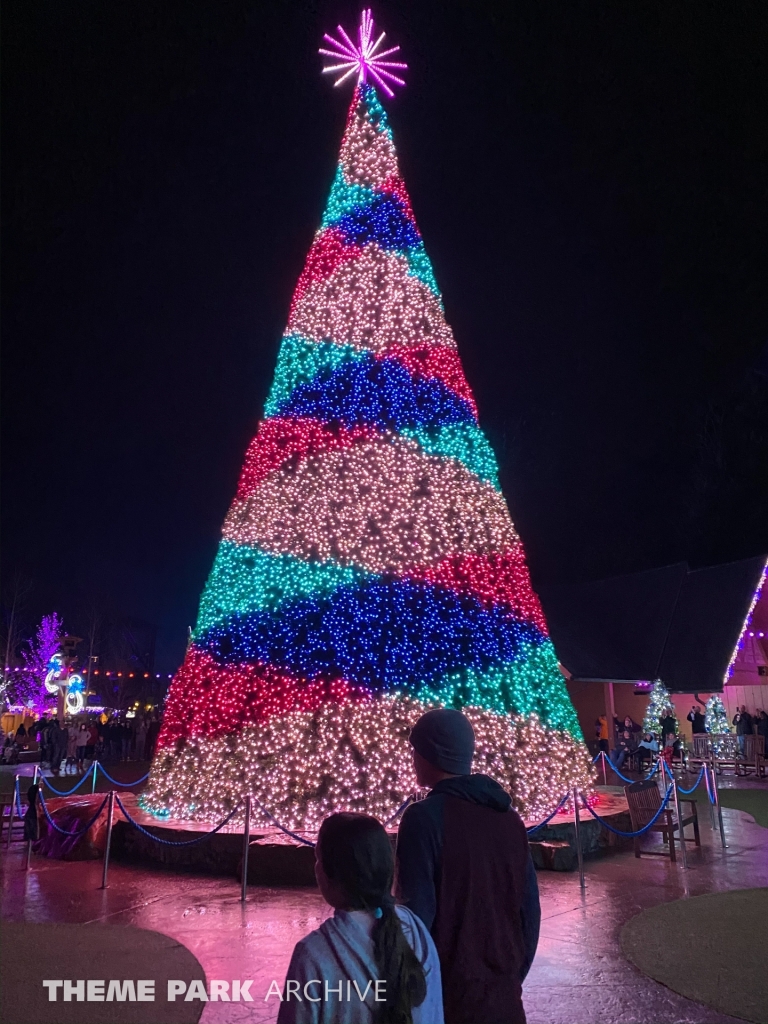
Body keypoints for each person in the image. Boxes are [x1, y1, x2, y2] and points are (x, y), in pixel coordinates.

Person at [396, 709, 539, 1024]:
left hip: (450, 997)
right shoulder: (508, 817)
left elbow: (416, 919)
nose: (413, 757)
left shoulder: (424, 819)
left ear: (432, 753)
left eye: (416, 749)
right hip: (504, 997)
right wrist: (510, 975)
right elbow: (529, 912)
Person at [277, 812, 443, 1024]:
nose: (316, 867)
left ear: (331, 874)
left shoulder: (314, 955)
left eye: (318, 858)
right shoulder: (417, 931)